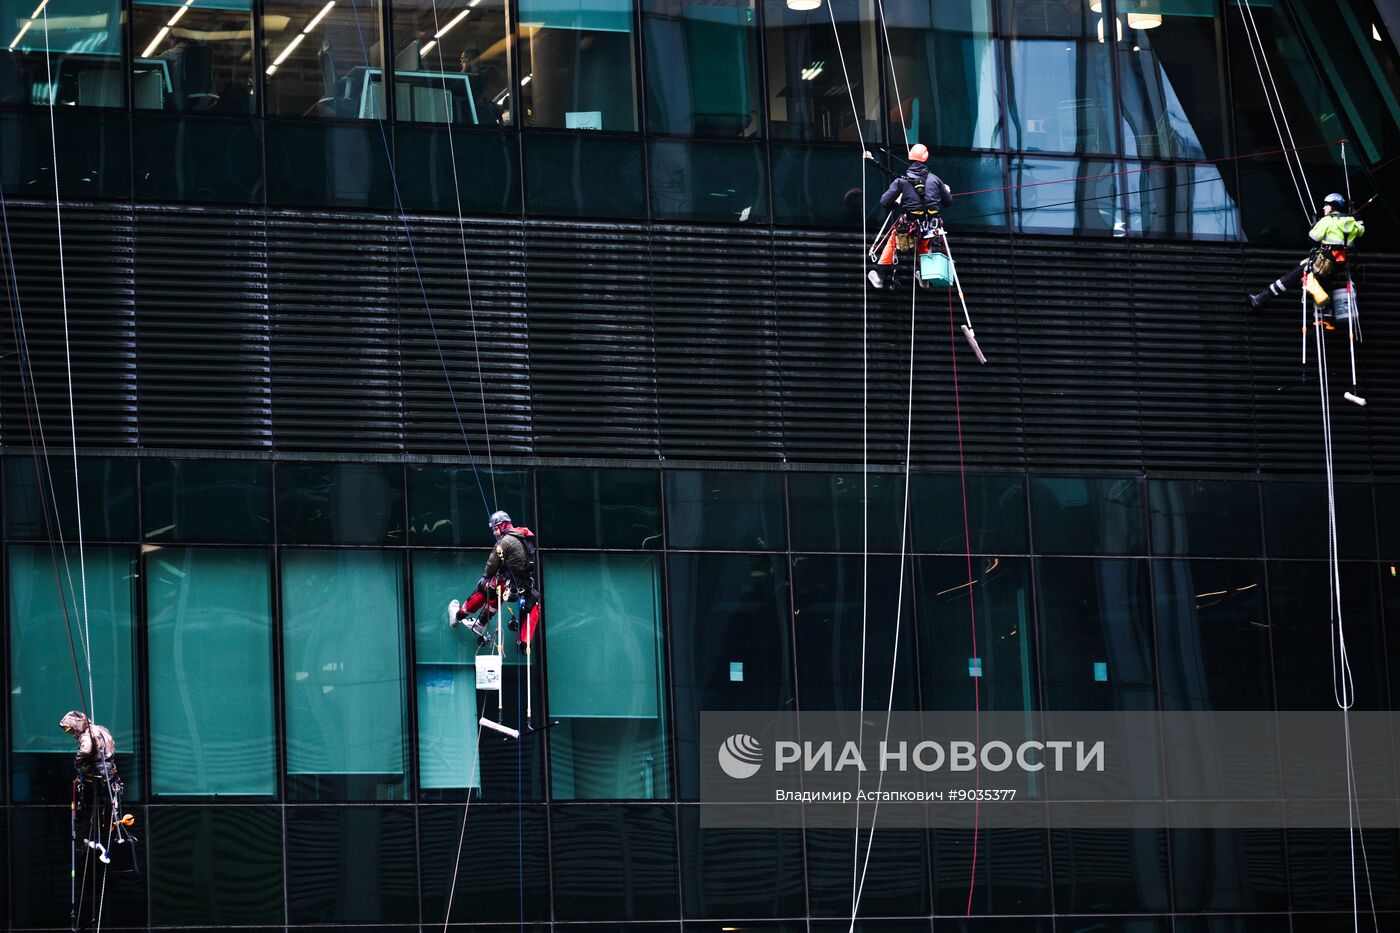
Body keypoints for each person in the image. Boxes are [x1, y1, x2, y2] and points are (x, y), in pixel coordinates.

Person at [1248, 192, 1364, 312]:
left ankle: (1260, 299)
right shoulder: (1352, 222)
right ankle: (1325, 313)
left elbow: (1312, 239)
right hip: (1339, 265)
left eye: (1326, 205)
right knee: (1320, 285)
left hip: (1322, 263)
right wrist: (1357, 216)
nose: (1324, 207)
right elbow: (1361, 230)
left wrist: (1314, 225)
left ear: (1333, 206)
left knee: (1288, 278)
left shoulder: (1327, 221)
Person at [868, 144, 953, 290]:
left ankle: (880, 276)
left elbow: (884, 201)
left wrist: (897, 200)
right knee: (924, 243)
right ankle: (924, 275)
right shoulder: (936, 180)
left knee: (893, 242)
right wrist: (944, 190)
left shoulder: (902, 181)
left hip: (910, 225)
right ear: (926, 159)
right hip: (930, 226)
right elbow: (948, 202)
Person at [451, 510, 541, 648]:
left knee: (483, 588)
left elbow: (491, 565)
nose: (494, 532)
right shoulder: (523, 538)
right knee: (495, 594)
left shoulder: (505, 542)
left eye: (495, 528)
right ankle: (480, 623)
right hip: (521, 585)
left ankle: (458, 616)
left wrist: (485, 577)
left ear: (503, 525)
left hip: (509, 583)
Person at [60, 710, 121, 863]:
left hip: (96, 776)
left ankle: (82, 844)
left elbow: (86, 749)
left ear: (76, 724)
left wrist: (78, 762)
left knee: (84, 807)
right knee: (108, 806)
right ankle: (104, 835)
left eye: (70, 729)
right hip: (109, 774)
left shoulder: (87, 735)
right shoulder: (101, 729)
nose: (71, 733)